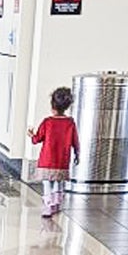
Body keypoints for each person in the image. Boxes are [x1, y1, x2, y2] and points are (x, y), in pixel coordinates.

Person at [28, 86, 80, 218]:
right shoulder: (70, 123)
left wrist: (31, 135)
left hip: (47, 159)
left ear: (52, 106)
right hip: (62, 160)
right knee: (58, 181)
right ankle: (56, 204)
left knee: (47, 182)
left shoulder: (47, 122)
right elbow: (75, 140)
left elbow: (37, 139)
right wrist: (77, 153)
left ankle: (47, 207)